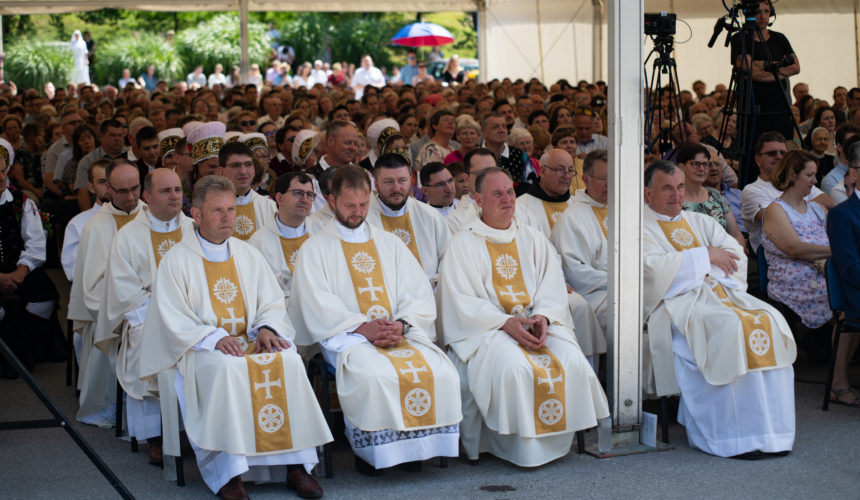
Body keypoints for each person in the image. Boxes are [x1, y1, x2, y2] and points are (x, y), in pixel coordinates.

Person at [139, 175, 331, 499]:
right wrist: (213, 337)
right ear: (196, 214)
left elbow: (272, 301)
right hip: (201, 349)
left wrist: (267, 328)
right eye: (217, 211)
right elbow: (172, 318)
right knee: (229, 368)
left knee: (289, 361)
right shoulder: (176, 260)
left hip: (249, 338)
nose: (228, 217)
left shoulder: (248, 254)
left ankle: (296, 466)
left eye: (231, 209)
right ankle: (229, 474)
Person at [288, 165, 462, 474]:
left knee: (440, 370)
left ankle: (414, 448)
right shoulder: (315, 249)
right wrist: (362, 327)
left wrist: (403, 323)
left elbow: (416, 291)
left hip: (396, 332)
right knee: (373, 374)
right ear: (331, 202)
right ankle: (373, 455)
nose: (357, 212)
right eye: (349, 206)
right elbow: (317, 303)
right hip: (346, 335)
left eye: (363, 205)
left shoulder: (389, 243)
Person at [437, 166, 609, 466]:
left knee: (570, 359)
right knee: (515, 367)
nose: (507, 199)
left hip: (536, 323)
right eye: (497, 194)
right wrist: (505, 322)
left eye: (510, 192)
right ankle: (519, 448)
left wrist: (543, 316)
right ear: (477, 198)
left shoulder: (533, 238)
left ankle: (557, 439)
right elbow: (460, 301)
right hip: (489, 331)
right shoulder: (462, 244)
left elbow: (552, 286)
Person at [642, 160, 796, 457]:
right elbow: (649, 272)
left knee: (768, 318)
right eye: (667, 189)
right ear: (648, 194)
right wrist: (705, 256)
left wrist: (706, 262)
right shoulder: (639, 229)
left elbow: (734, 256)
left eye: (680, 187)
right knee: (729, 327)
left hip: (723, 294)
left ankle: (773, 433)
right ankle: (733, 437)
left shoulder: (701, 222)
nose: (676, 195)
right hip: (677, 304)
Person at [94, 169, 194, 466]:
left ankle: (202, 430)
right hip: (147, 316)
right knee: (144, 342)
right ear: (147, 196)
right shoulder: (128, 236)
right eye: (166, 191)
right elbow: (125, 292)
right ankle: (156, 436)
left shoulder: (194, 230)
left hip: (192, 316)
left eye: (178, 189)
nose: (174, 196)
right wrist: (164, 312)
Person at [68, 159, 145, 426]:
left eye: (135, 188)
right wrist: (127, 308)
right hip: (112, 312)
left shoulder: (153, 217)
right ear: (108, 190)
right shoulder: (96, 227)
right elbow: (91, 288)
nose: (131, 197)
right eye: (122, 191)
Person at [514, 148, 606, 367]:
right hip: (544, 282)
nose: (566, 176)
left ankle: (589, 374)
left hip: (579, 282)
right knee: (579, 308)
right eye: (559, 170)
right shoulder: (522, 206)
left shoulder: (581, 204)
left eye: (570, 171)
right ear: (543, 171)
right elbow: (526, 251)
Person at [0, 145, 62, 379]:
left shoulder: (21, 202)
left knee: (46, 295)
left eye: (3, 171)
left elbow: (36, 243)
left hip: (19, 269)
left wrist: (20, 271)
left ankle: (16, 349)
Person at [730, 1, 800, 186]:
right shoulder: (740, 38)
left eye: (766, 11)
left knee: (781, 153)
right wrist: (776, 70)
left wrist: (761, 68)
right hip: (753, 110)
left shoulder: (780, 38)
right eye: (758, 11)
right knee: (755, 154)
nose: (762, 16)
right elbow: (746, 68)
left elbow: (796, 67)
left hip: (779, 109)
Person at [366, 153, 451, 284]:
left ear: (410, 181)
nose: (396, 188)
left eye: (402, 180)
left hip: (429, 294)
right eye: (388, 182)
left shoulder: (429, 215)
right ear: (376, 184)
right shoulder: (364, 218)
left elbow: (448, 259)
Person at [742, 132, 832, 255]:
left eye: (783, 153)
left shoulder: (801, 183)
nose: (779, 157)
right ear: (758, 159)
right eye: (772, 153)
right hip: (786, 260)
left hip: (819, 257)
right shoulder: (752, 190)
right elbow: (774, 218)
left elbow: (828, 202)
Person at [551, 150, 611, 332]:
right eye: (605, 178)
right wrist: (619, 281)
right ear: (586, 179)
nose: (611, 184)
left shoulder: (625, 209)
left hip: (630, 287)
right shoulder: (572, 218)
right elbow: (574, 272)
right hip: (596, 296)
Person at [825, 141, 860, 406]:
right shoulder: (842, 215)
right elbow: (850, 269)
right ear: (854, 173)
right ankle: (838, 382)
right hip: (855, 292)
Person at [676, 143, 746, 249]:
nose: (702, 168)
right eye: (696, 164)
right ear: (682, 167)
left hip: (725, 259)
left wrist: (737, 254)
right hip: (691, 258)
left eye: (705, 164)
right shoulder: (675, 199)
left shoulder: (715, 195)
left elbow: (736, 234)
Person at [61, 160, 110, 283]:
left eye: (112, 180)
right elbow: (73, 272)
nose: (109, 187)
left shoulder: (137, 217)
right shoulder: (78, 224)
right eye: (102, 182)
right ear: (92, 188)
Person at [218, 141, 277, 241]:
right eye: (235, 165)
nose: (243, 171)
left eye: (248, 164)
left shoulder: (268, 205)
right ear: (221, 172)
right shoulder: (213, 207)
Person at [73, 119, 128, 212]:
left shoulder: (130, 156)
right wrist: (89, 219)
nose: (117, 139)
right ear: (101, 137)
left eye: (120, 135)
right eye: (112, 135)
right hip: (99, 209)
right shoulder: (87, 161)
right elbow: (82, 193)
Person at [446, 148, 497, 233]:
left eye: (493, 171)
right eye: (480, 174)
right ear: (466, 179)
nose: (488, 178)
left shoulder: (509, 209)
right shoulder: (455, 220)